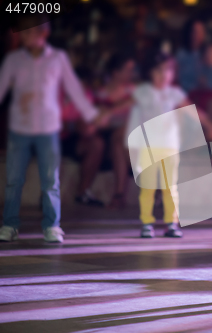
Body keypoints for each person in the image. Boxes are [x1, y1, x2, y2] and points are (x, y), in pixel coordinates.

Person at [0, 18, 107, 243]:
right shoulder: (13, 60)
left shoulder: (58, 58)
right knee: (14, 179)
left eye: (28, 31)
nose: (23, 35)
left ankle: (52, 225)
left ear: (42, 33)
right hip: (20, 127)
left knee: (50, 180)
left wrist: (91, 115)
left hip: (48, 128)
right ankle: (10, 224)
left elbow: (74, 88)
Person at [126, 53, 212, 239]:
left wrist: (211, 126)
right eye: (159, 70)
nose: (163, 75)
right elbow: (128, 108)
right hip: (147, 148)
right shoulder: (143, 92)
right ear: (150, 72)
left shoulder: (175, 93)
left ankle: (171, 223)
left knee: (170, 187)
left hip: (170, 148)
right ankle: (146, 222)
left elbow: (192, 111)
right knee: (148, 187)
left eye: (168, 70)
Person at [60, 66, 105, 206]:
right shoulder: (55, 93)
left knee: (97, 144)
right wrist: (74, 124)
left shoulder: (87, 95)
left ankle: (83, 192)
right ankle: (48, 196)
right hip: (49, 137)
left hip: (72, 138)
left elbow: (88, 120)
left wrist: (89, 127)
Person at [95, 55, 136, 209]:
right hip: (107, 136)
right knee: (118, 139)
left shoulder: (134, 91)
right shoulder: (101, 93)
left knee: (121, 138)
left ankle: (119, 194)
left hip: (128, 136)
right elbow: (97, 121)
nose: (132, 73)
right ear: (115, 72)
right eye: (128, 70)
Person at [176, 19, 206, 93]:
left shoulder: (208, 53)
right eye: (195, 31)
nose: (198, 34)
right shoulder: (181, 54)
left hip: (201, 96)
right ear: (189, 33)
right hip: (183, 96)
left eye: (201, 31)